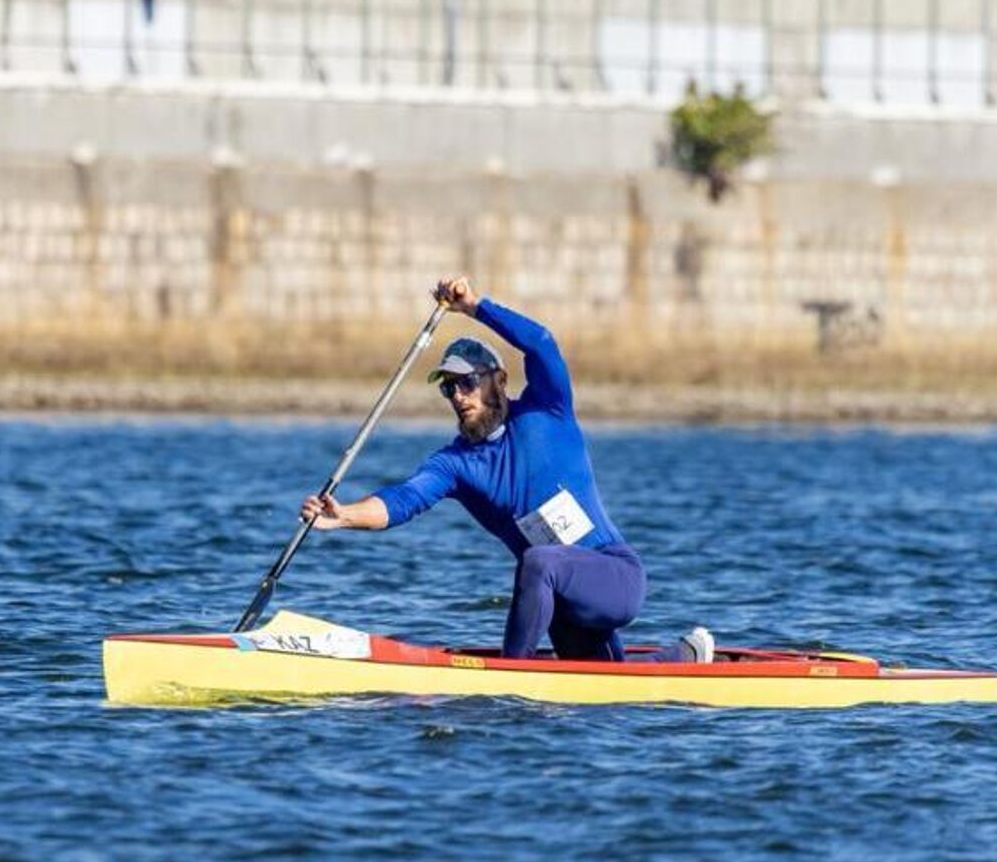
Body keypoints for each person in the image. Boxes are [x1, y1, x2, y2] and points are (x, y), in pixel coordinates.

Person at [301, 276, 711, 664]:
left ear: (498, 380)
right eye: (448, 388)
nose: (457, 396)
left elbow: (542, 344)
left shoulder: (547, 409)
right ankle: (687, 657)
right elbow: (402, 500)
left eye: (466, 383)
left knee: (538, 562)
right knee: (608, 690)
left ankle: (510, 684)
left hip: (614, 577)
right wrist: (343, 517)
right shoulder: (456, 464)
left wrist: (477, 307)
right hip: (564, 604)